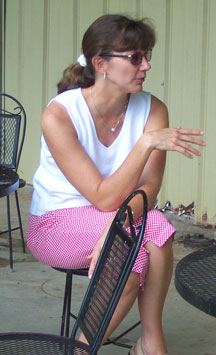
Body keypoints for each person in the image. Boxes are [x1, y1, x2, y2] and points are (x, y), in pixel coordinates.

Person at [26, 14, 205, 355]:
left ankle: (144, 341)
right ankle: (107, 347)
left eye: (148, 54)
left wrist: (117, 223)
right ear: (100, 64)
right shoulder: (59, 115)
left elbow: (148, 191)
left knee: (149, 229)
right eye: (135, 57)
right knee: (140, 243)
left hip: (120, 218)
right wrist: (145, 144)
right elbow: (103, 197)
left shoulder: (153, 109)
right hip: (55, 223)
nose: (147, 66)